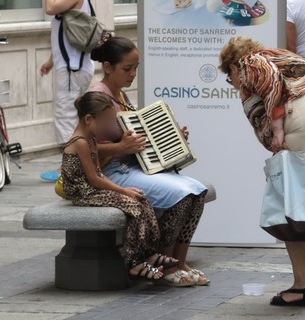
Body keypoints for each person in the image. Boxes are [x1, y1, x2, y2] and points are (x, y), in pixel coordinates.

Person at [90, 35, 210, 287]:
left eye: (136, 68)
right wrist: (120, 146)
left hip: (133, 166)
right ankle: (164, 264)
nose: (133, 74)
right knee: (182, 195)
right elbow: (81, 146)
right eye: (127, 68)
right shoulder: (97, 97)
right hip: (113, 172)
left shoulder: (119, 95)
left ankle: (179, 261)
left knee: (198, 192)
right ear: (108, 67)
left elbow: (134, 137)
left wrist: (173, 135)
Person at [219, 36, 305, 306]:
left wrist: (277, 130)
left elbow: (272, 84)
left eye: (228, 78)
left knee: (293, 213)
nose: (233, 84)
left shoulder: (250, 63)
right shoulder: (281, 56)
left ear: (232, 68)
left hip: (298, 133)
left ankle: (302, 285)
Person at [61, 91, 180, 281]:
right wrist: (124, 191)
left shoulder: (91, 139)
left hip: (93, 189)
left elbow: (98, 174)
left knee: (142, 200)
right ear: (89, 119)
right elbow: (93, 179)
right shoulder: (80, 142)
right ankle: (133, 261)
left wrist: (128, 192)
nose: (110, 128)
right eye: (107, 122)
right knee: (132, 206)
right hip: (83, 192)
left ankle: (148, 253)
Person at [40, 0, 94, 182]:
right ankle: (75, 163)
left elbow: (49, 8)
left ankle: (68, 167)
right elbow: (65, 32)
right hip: (72, 66)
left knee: (65, 115)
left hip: (73, 69)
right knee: (71, 116)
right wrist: (51, 61)